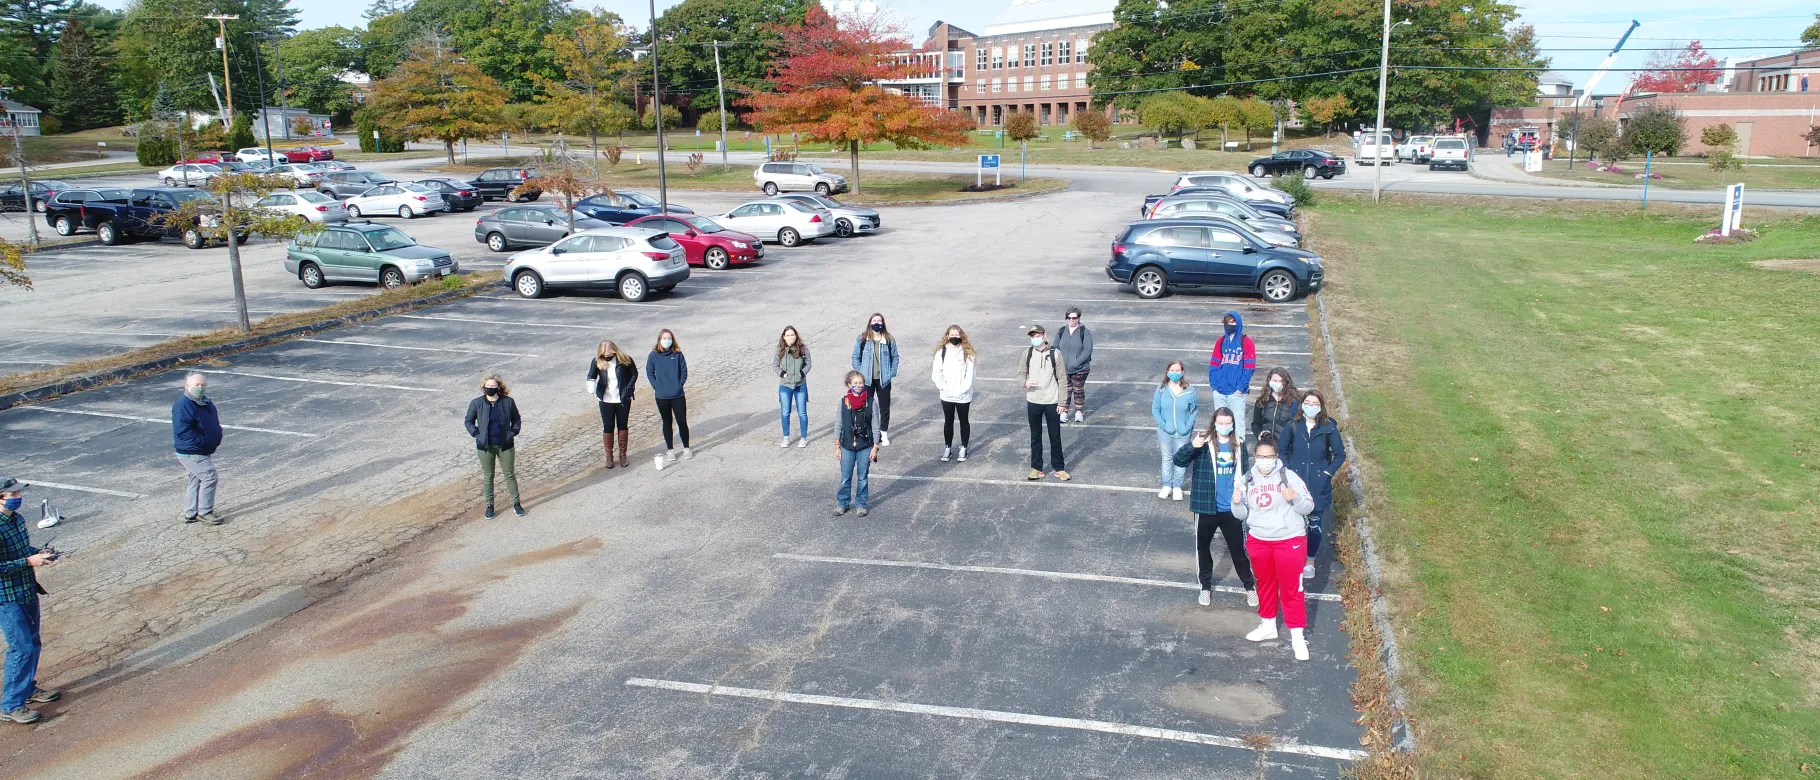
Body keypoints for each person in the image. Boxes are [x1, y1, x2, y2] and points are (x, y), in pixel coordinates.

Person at [1232, 430, 1315, 661]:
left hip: (1289, 540)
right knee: (1265, 584)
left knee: (1292, 589)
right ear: (1255, 456)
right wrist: (1237, 503)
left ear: (1276, 456)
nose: (1265, 461)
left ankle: (1297, 636)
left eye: (1269, 456)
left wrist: (1294, 497)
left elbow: (1308, 506)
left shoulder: (1289, 477)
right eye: (1261, 456)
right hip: (1260, 541)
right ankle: (1268, 624)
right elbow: (1240, 513)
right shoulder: (1246, 480)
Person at [1174, 408, 1257, 608]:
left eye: (1228, 423)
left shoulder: (1238, 445)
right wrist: (1191, 446)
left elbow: (1245, 474)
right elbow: (1178, 460)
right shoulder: (1203, 443)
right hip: (1206, 507)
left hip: (1231, 508)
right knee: (1203, 548)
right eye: (1221, 422)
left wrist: (1246, 495)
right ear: (1214, 422)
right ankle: (1205, 586)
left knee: (1239, 550)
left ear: (1232, 424)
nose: (1224, 426)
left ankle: (1250, 587)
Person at [0, 477, 58, 725]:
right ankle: (11, 704)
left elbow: (21, 548)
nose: (17, 498)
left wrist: (37, 553)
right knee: (21, 648)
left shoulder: (16, 519)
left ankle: (27, 689)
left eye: (18, 494)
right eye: (12, 495)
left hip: (26, 589)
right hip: (7, 597)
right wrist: (28, 562)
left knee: (33, 642)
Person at [1279, 389, 1347, 580]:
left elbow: (1339, 454)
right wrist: (1288, 471)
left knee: (1315, 526)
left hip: (1318, 485)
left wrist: (1326, 472)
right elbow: (1282, 450)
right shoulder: (1293, 426)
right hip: (1296, 484)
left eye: (1315, 403)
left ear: (1321, 406)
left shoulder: (1329, 428)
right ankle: (1292, 557)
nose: (1311, 406)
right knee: (1292, 523)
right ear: (1302, 405)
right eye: (1307, 402)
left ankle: (1310, 560)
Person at [463, 375, 523, 518]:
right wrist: (476, 433)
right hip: (485, 447)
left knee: (509, 474)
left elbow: (516, 419)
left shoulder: (508, 402)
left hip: (505, 445)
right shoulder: (477, 403)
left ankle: (517, 504)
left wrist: (513, 432)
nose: (490, 389)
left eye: (493, 386)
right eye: (487, 386)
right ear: (484, 387)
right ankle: (489, 506)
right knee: (488, 476)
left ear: (498, 387)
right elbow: (468, 421)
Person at [172, 372, 224, 525]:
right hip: (192, 451)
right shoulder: (183, 405)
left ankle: (191, 513)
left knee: (195, 479)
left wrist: (216, 435)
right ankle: (205, 512)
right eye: (197, 385)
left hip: (201, 450)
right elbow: (183, 431)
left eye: (203, 385)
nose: (200, 388)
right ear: (187, 386)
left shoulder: (204, 402)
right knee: (209, 476)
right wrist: (203, 442)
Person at [1019, 325, 1069, 481]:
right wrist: (1024, 383)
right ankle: (1036, 468)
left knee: (1055, 436)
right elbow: (1021, 373)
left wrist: (1062, 402)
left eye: (1037, 335)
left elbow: (1062, 378)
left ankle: (1059, 468)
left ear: (1044, 335)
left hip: (1052, 401)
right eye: (1032, 336)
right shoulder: (1026, 354)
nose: (1035, 338)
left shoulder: (1055, 354)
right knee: (1035, 436)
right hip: (1033, 401)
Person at [834, 371, 880, 517]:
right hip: (847, 446)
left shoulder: (871, 402)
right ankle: (842, 503)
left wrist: (875, 446)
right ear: (849, 384)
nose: (858, 386)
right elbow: (838, 424)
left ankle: (861, 504)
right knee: (845, 477)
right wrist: (837, 446)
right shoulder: (844, 402)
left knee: (862, 477)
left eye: (860, 383)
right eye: (855, 383)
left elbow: (876, 426)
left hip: (865, 446)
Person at [1207, 311, 1256, 447]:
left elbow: (1249, 367)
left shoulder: (1246, 341)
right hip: (1220, 391)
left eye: (1233, 322)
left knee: (1238, 423)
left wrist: (1240, 388)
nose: (1230, 325)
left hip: (1236, 392)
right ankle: (1221, 449)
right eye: (1227, 323)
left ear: (1238, 323)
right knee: (1221, 422)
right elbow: (1214, 364)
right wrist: (1214, 385)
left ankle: (1239, 451)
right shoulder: (1221, 341)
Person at [850, 313, 899, 446]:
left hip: (883, 380)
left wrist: (891, 372)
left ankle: (883, 433)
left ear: (883, 323)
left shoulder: (888, 339)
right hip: (867, 380)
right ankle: (867, 433)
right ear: (870, 323)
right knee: (866, 407)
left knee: (884, 408)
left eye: (879, 320)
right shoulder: (863, 339)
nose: (877, 323)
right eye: (874, 320)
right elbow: (855, 357)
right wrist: (861, 373)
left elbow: (895, 357)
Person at [1151, 359, 1197, 500]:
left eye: (1178, 370)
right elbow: (1155, 409)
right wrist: (1163, 425)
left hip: (1183, 433)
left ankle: (1177, 486)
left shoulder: (1190, 390)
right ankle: (1166, 485)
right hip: (1165, 432)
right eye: (1172, 370)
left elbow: (1194, 410)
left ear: (1182, 372)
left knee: (1180, 459)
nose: (1175, 373)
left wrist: (1188, 427)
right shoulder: (1161, 390)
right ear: (1167, 372)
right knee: (1167, 458)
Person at [587, 341, 637, 469]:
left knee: (622, 425)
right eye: (604, 355)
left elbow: (634, 374)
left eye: (609, 354)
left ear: (614, 351)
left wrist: (629, 388)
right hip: (605, 399)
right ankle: (609, 457)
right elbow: (591, 376)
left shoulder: (624, 359)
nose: (607, 357)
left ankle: (623, 455)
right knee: (608, 427)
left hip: (623, 398)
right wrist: (591, 385)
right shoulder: (597, 361)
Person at [931, 325, 977, 463]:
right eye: (952, 335)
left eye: (957, 335)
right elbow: (936, 373)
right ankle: (948, 448)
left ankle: (964, 447)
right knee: (948, 421)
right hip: (947, 395)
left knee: (964, 421)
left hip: (963, 395)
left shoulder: (968, 353)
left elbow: (970, 375)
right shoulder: (941, 352)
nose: (955, 337)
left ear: (961, 336)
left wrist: (963, 389)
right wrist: (944, 388)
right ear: (947, 336)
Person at [647, 329, 692, 463]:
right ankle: (670, 450)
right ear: (659, 339)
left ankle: (686, 448)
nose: (667, 340)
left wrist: (680, 384)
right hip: (662, 396)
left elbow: (684, 370)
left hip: (677, 394)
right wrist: (656, 385)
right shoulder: (653, 355)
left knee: (682, 421)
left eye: (669, 338)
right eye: (665, 338)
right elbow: (650, 372)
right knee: (667, 422)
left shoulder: (677, 354)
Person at [774, 326, 811, 448]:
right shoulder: (780, 349)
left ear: (796, 336)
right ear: (783, 337)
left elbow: (808, 364)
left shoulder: (803, 348)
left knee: (802, 413)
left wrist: (802, 373)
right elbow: (775, 366)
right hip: (785, 385)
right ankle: (786, 437)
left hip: (800, 385)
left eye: (792, 335)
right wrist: (782, 374)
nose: (790, 337)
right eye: (788, 335)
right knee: (785, 413)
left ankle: (804, 437)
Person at [1055, 307, 1093, 423]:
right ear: (1066, 319)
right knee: (1065, 391)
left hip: (1080, 369)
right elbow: (1055, 347)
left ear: (1078, 318)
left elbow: (1088, 350)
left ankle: (1078, 412)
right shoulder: (1061, 331)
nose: (1072, 320)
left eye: (1075, 318)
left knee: (1078, 390)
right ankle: (1064, 413)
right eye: (1070, 318)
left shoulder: (1084, 332)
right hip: (1063, 368)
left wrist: (1077, 362)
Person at [1251, 367, 1301, 444]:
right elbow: (1256, 423)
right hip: (1266, 445)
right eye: (1275, 381)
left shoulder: (1294, 402)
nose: (1278, 383)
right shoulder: (1262, 400)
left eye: (1281, 381)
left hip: (1287, 447)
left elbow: (1299, 425)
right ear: (1269, 381)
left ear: (1286, 382)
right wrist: (1259, 434)